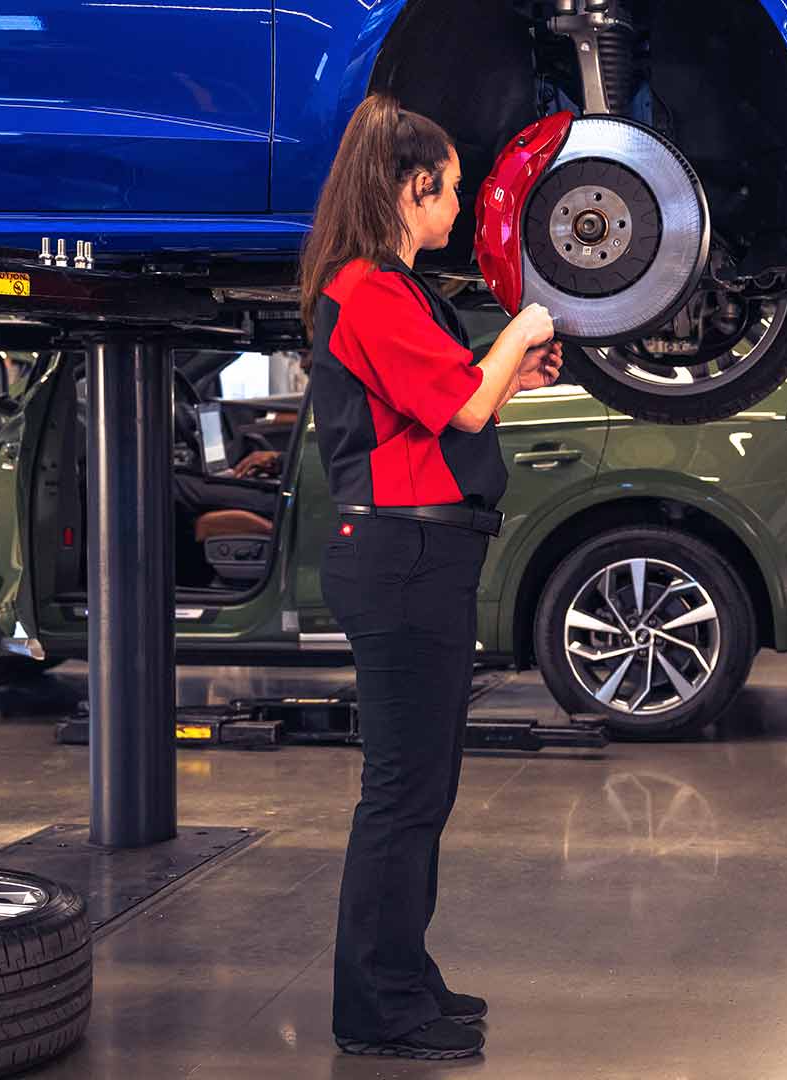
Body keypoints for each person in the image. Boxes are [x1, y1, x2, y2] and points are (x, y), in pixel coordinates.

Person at [299, 93, 562, 1060]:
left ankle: (404, 976)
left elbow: (450, 402)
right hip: (400, 561)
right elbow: (462, 412)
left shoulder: (398, 293)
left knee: (425, 789)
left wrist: (509, 372)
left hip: (422, 557)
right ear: (412, 190)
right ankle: (376, 1008)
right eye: (450, 190)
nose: (459, 205)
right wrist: (518, 330)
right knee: (403, 793)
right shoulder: (367, 289)